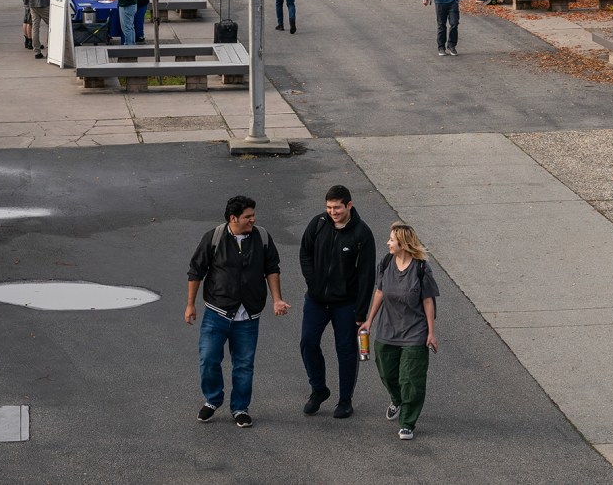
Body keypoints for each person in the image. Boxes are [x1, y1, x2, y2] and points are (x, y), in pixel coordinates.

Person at [186, 195, 290, 428]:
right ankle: (212, 400)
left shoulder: (262, 237)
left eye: (253, 215)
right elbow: (196, 271)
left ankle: (240, 408)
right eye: (248, 216)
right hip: (216, 313)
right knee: (208, 359)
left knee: (244, 365)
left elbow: (272, 269)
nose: (253, 219)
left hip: (248, 316)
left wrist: (277, 299)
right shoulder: (213, 238)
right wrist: (190, 304)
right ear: (234, 218)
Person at [298, 185, 376, 420]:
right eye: (329, 207)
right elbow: (305, 254)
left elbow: (366, 276)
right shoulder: (318, 224)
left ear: (349, 205)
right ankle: (319, 389)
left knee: (346, 351)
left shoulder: (362, 234)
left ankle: (345, 400)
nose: (332, 212)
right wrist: (313, 283)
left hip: (346, 304)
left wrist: (361, 311)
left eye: (337, 208)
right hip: (316, 301)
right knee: (307, 342)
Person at [359, 223, 440, 441]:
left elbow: (428, 301)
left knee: (411, 379)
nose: (388, 243)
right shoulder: (386, 263)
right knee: (387, 372)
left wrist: (431, 333)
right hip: (388, 330)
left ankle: (407, 423)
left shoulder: (421, 267)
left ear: (403, 244)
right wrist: (369, 320)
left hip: (415, 332)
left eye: (392, 240)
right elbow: (379, 292)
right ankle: (397, 400)